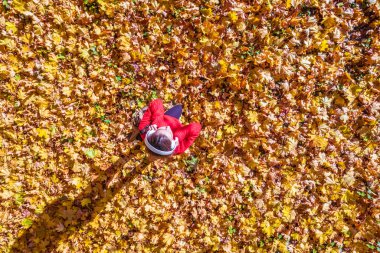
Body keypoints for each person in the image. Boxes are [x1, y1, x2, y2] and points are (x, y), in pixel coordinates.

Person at [136, 99, 202, 156]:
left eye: (163, 129)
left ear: (152, 132)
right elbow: (197, 127)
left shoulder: (144, 129)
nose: (167, 127)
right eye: (169, 133)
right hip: (174, 121)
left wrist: (155, 123)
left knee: (179, 107)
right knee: (179, 108)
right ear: (172, 144)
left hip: (168, 118)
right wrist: (178, 137)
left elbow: (157, 102)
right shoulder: (178, 148)